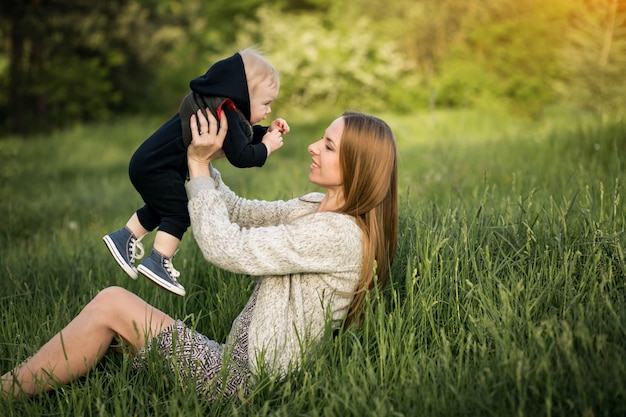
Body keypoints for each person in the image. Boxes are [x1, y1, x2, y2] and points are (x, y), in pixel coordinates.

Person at [1, 109, 398, 402]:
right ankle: (28, 387)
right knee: (111, 331)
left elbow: (225, 247)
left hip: (249, 387)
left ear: (356, 166)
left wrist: (197, 164)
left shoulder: (338, 234)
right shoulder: (316, 207)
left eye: (328, 146)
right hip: (234, 363)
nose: (313, 146)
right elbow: (240, 212)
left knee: (112, 303)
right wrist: (206, 160)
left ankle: (7, 392)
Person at [103, 47, 289, 297]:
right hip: (157, 168)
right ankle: (158, 261)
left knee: (163, 207)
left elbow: (240, 138)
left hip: (150, 164)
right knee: (179, 213)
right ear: (244, 95)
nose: (268, 110)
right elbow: (242, 155)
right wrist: (266, 148)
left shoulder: (221, 106)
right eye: (265, 104)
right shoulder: (227, 111)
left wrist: (265, 132)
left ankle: (123, 237)